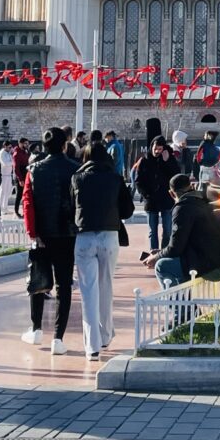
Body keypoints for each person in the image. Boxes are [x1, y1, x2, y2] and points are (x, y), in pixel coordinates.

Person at [71, 142, 134, 360]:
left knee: (88, 291)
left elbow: (69, 207)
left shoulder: (76, 178)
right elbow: (128, 210)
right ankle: (106, 335)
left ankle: (92, 346)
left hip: (84, 236)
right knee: (106, 285)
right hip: (109, 236)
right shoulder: (115, 178)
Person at [21, 127, 78, 354]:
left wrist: (32, 233)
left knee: (38, 281)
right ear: (65, 145)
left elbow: (27, 203)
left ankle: (35, 329)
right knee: (64, 285)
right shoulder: (75, 169)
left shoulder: (33, 170)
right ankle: (58, 338)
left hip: (42, 234)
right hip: (67, 233)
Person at [142, 173, 220, 289]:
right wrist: (161, 252)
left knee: (162, 266)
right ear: (191, 186)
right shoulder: (203, 201)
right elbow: (184, 243)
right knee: (181, 265)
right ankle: (186, 305)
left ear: (171, 193)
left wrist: (156, 257)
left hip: (212, 266)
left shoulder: (183, 208)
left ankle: (178, 306)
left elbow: (175, 249)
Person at [136, 135, 179, 251]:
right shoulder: (144, 160)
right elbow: (138, 181)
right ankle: (153, 252)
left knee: (168, 230)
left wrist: (168, 161)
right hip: (151, 201)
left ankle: (164, 252)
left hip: (166, 199)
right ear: (151, 146)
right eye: (155, 148)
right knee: (152, 231)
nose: (157, 151)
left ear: (163, 149)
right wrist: (146, 195)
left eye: (160, 149)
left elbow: (176, 175)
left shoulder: (169, 158)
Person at [12, 138, 31, 217]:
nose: (27, 145)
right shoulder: (16, 153)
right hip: (20, 177)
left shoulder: (25, 152)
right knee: (19, 195)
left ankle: (25, 211)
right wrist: (20, 180)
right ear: (20, 144)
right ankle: (16, 211)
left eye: (27, 143)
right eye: (25, 143)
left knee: (25, 194)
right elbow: (16, 168)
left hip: (25, 175)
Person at [0, 140, 13, 214]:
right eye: (9, 147)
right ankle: (0, 208)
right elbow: (5, 163)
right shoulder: (1, 153)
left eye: (11, 147)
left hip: (9, 175)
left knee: (8, 192)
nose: (10, 148)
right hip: (3, 175)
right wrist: (13, 162)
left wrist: (12, 162)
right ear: (5, 146)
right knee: (2, 192)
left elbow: (11, 162)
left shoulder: (9, 153)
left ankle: (5, 207)